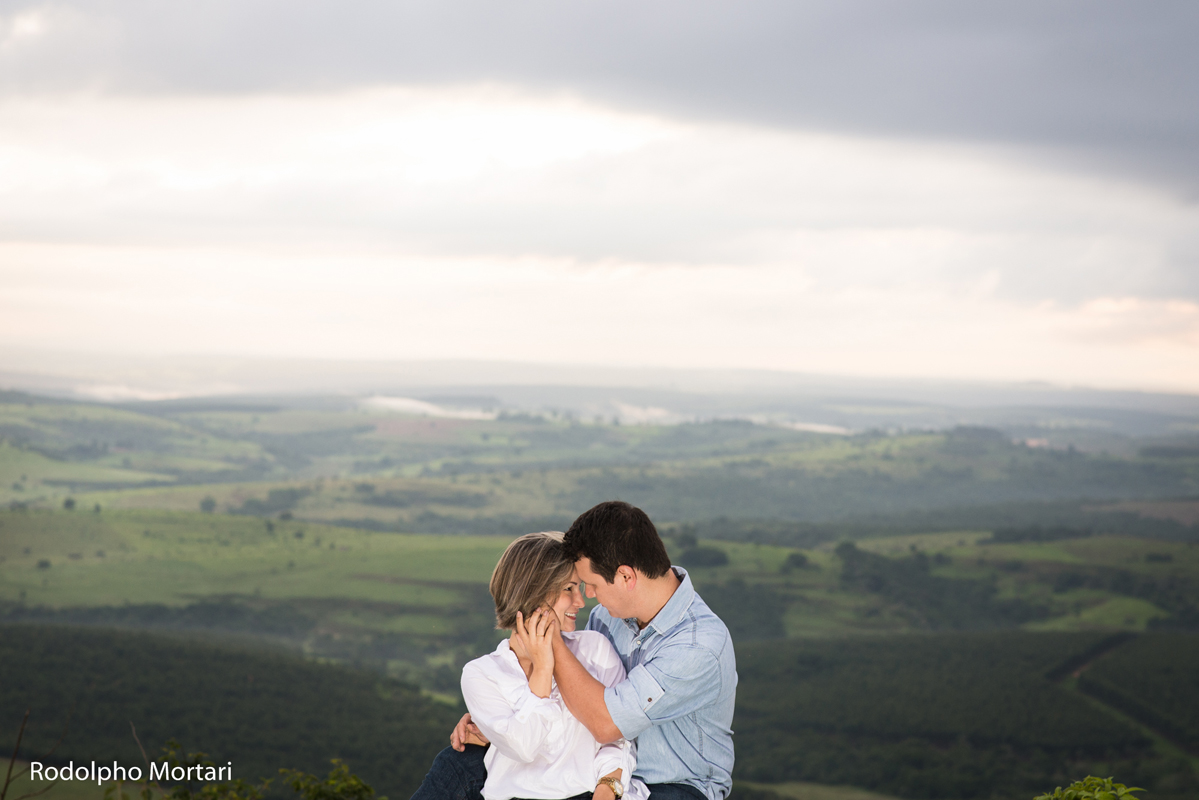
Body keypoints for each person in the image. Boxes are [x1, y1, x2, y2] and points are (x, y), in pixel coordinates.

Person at [445, 502, 737, 800]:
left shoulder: (698, 645)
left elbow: (605, 724)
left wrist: (549, 635)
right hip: (597, 770)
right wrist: (498, 722)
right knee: (456, 761)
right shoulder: (607, 617)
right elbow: (576, 695)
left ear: (626, 577)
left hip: (672, 785)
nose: (588, 597)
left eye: (591, 584)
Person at [412, 531, 648, 800]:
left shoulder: (595, 649)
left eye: (579, 588)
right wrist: (544, 668)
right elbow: (524, 747)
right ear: (533, 594)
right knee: (448, 762)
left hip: (588, 793)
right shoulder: (482, 674)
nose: (581, 601)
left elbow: (619, 737)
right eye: (569, 589)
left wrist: (607, 789)